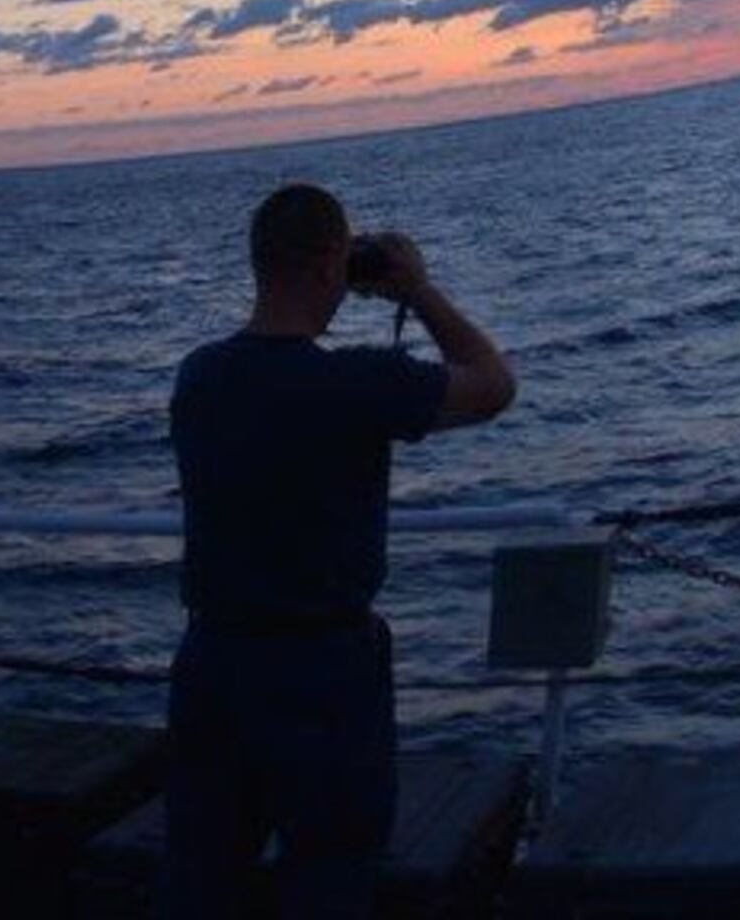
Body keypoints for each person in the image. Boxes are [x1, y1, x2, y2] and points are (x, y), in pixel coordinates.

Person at [162, 182, 514, 918]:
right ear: (332, 265)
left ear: (259, 263)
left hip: (212, 663)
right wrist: (416, 291)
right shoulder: (358, 384)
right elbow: (493, 384)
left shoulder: (198, 377)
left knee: (202, 876)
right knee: (331, 876)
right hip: (323, 676)